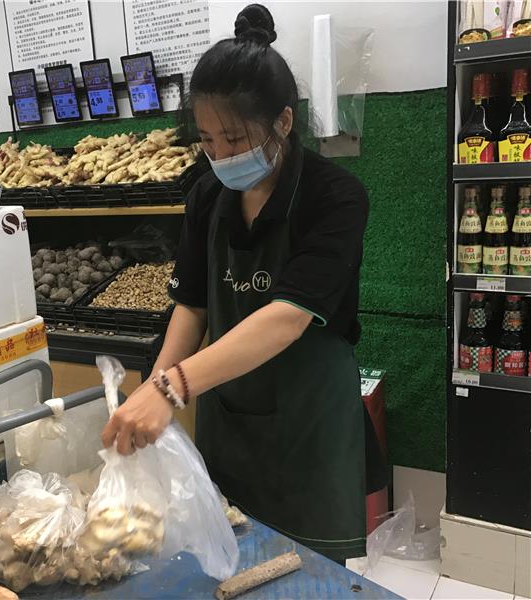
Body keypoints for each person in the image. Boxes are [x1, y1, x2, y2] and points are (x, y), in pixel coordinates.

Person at [101, 4, 384, 562]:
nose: (220, 155)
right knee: (229, 554)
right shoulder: (207, 196)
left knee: (310, 573)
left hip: (310, 420)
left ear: (283, 122)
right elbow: (191, 306)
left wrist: (173, 388)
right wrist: (154, 387)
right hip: (229, 416)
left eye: (233, 139)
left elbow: (287, 317)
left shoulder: (335, 197)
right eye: (208, 141)